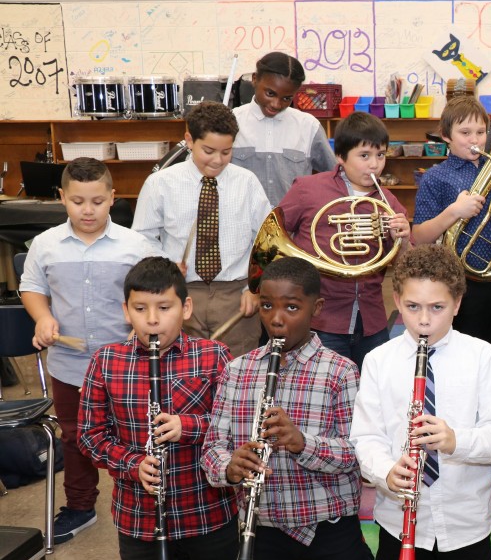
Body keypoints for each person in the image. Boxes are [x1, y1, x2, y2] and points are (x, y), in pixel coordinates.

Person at [200, 257, 375, 560]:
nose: (277, 319)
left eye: (292, 307)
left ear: (318, 309)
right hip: (265, 520)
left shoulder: (340, 371)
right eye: (267, 305)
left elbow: (355, 455)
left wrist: (301, 443)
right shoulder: (238, 370)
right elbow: (212, 447)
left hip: (327, 518)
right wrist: (230, 466)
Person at [351, 245, 491, 560]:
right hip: (402, 518)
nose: (424, 320)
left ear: (457, 303)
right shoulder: (379, 360)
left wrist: (456, 440)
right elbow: (366, 435)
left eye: (437, 308)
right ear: (397, 300)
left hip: (464, 519)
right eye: (413, 307)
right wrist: (386, 473)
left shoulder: (483, 356)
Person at [77, 257, 238, 560]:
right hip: (141, 513)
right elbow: (90, 436)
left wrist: (190, 427)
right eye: (140, 308)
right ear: (125, 311)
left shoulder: (214, 356)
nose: (152, 319)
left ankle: (189, 553)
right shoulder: (106, 361)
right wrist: (133, 465)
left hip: (206, 507)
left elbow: (235, 425)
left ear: (186, 308)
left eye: (164, 308)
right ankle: (174, 554)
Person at [19, 158, 161, 544]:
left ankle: (141, 501)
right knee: (75, 437)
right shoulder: (45, 245)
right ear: (62, 197)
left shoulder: (136, 245)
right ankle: (80, 507)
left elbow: (153, 295)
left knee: (134, 435)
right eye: (78, 201)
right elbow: (32, 288)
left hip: (126, 367)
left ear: (113, 198)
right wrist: (42, 318)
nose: (87, 210)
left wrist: (142, 322)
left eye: (97, 201)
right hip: (69, 365)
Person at [133, 100, 273, 359]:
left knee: (237, 376)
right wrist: (167, 265)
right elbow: (142, 238)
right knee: (184, 373)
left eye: (226, 151)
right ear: (189, 139)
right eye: (209, 150)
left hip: (236, 295)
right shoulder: (160, 183)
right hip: (179, 292)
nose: (218, 160)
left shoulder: (247, 183)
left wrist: (255, 289)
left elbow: (266, 241)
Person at [274, 111, 410, 368]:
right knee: (324, 393)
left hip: (371, 318)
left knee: (372, 392)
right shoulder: (308, 188)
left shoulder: (388, 201)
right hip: (321, 317)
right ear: (340, 157)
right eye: (364, 155)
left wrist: (401, 239)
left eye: (380, 155)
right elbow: (275, 231)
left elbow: (405, 264)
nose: (375, 165)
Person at [411, 96, 491, 345]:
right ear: (445, 136)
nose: (475, 140)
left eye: (481, 132)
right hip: (462, 282)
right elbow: (419, 236)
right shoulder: (435, 178)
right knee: (467, 348)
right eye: (465, 132)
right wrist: (454, 211)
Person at [232, 51, 338, 206]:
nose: (276, 104)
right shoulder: (231, 122)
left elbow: (334, 178)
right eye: (270, 93)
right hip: (243, 226)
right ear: (254, 79)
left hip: (291, 227)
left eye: (286, 98)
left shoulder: (308, 126)